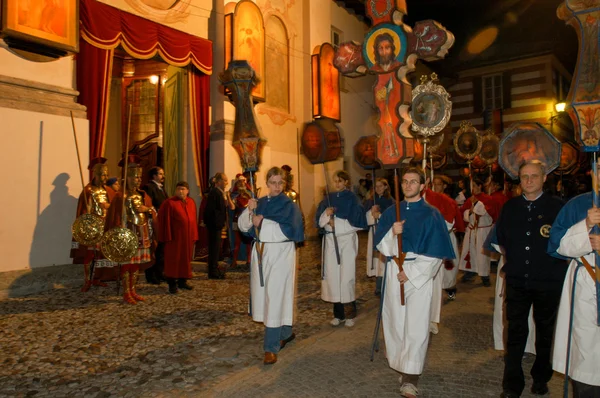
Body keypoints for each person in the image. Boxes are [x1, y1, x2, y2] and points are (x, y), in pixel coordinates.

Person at [374, 167, 455, 398]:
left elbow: (436, 254)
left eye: (413, 182)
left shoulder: (432, 214)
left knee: (416, 324)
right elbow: (381, 246)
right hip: (394, 270)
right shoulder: (392, 212)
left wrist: (411, 273)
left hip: (418, 272)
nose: (408, 185)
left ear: (422, 186)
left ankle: (411, 377)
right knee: (395, 322)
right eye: (405, 182)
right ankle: (402, 363)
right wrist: (392, 232)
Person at [495, 161, 568, 398]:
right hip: (517, 280)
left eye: (534, 176)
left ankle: (541, 377)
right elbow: (503, 239)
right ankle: (512, 384)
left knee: (545, 332)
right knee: (514, 331)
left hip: (548, 281)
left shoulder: (558, 207)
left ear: (544, 178)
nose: (528, 181)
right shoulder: (510, 207)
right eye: (524, 176)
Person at [238, 166, 304, 365]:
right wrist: (249, 210)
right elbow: (243, 227)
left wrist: (263, 223)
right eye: (273, 182)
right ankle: (286, 332)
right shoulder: (260, 203)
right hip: (261, 254)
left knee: (275, 296)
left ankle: (270, 346)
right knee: (266, 294)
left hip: (280, 254)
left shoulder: (288, 205)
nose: (276, 186)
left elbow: (290, 230)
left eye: (280, 183)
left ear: (284, 184)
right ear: (266, 184)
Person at [548, 187, 600, 397]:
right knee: (586, 354)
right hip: (587, 282)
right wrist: (586, 226)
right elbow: (558, 244)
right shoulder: (579, 204)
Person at [316, 170, 367, 327]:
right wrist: (326, 214)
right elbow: (319, 221)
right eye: (335, 181)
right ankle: (338, 314)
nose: (337, 183)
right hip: (331, 241)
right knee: (333, 276)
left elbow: (358, 222)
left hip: (346, 241)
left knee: (346, 277)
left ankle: (350, 314)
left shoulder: (352, 199)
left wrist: (336, 223)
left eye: (340, 181)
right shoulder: (328, 199)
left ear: (346, 182)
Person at [105, 155, 156, 304]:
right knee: (127, 263)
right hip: (128, 233)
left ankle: (133, 289)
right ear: (127, 178)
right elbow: (115, 217)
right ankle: (126, 292)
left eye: (140, 177)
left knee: (136, 264)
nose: (138, 180)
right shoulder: (121, 196)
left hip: (140, 232)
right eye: (135, 177)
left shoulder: (139, 194)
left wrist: (147, 210)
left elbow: (148, 210)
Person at [423, 180, 465, 335]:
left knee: (436, 281)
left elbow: (449, 222)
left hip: (437, 244)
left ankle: (433, 318)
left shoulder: (445, 201)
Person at [71, 157, 117, 292]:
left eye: (106, 175)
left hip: (105, 225)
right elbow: (84, 210)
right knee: (90, 254)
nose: (105, 177)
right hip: (92, 226)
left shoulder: (108, 191)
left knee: (101, 254)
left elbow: (114, 206)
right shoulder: (88, 191)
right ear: (96, 175)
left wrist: (110, 206)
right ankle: (87, 280)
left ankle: (98, 278)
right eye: (103, 174)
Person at [157, 181, 198, 294]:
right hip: (174, 238)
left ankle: (182, 281)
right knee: (173, 260)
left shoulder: (191, 202)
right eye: (179, 189)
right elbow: (164, 221)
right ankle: (172, 284)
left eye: (183, 189)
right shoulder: (169, 203)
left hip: (187, 237)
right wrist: (167, 236)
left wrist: (194, 234)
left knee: (185, 260)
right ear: (175, 190)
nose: (181, 191)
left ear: (187, 191)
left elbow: (193, 219)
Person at [458, 178, 499, 287]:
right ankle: (470, 272)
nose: (473, 189)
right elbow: (463, 214)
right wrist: (469, 211)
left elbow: (488, 213)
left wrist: (476, 203)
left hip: (482, 230)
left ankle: (485, 276)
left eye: (475, 186)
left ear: (480, 186)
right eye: (471, 187)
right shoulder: (469, 200)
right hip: (472, 230)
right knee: (469, 252)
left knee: (482, 254)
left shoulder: (488, 199)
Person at [365, 177, 395, 295]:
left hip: (385, 233)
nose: (378, 189)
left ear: (386, 187)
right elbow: (365, 218)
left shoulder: (390, 201)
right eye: (376, 186)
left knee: (382, 258)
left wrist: (380, 215)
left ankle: (383, 285)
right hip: (373, 231)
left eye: (381, 186)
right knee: (376, 259)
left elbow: (392, 218)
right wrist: (371, 213)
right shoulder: (371, 200)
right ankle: (378, 286)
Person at [204, 172, 235, 279]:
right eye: (225, 180)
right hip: (214, 226)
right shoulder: (215, 193)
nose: (226, 183)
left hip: (217, 225)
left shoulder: (220, 193)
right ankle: (212, 272)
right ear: (219, 181)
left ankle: (215, 269)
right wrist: (217, 223)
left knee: (216, 249)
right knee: (214, 249)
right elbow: (211, 211)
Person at [143, 167, 169, 285]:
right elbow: (149, 204)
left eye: (163, 174)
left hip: (161, 221)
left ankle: (160, 272)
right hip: (153, 221)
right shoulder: (149, 187)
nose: (163, 176)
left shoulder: (161, 188)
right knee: (154, 247)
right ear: (154, 176)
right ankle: (151, 275)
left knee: (161, 249)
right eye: (160, 174)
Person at [230, 174, 253, 268]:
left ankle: (249, 260)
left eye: (243, 181)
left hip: (248, 220)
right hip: (237, 219)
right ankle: (234, 261)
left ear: (245, 182)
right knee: (237, 242)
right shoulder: (234, 194)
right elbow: (232, 207)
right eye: (239, 181)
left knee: (248, 241)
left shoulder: (249, 194)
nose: (241, 183)